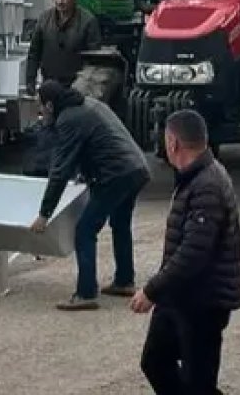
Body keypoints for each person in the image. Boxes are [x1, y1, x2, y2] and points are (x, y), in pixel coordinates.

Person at [131, 109, 240, 395]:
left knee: (199, 384)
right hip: (178, 296)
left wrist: (152, 290)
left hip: (203, 303)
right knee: (155, 362)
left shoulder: (208, 184)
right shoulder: (192, 177)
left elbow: (194, 253)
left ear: (173, 143)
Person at [30, 80, 150, 311]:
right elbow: (97, 144)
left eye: (41, 106)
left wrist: (44, 214)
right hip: (136, 169)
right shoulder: (89, 105)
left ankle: (85, 293)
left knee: (85, 230)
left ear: (51, 106)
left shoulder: (69, 119)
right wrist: (86, 173)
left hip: (116, 175)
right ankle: (124, 281)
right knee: (120, 224)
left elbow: (60, 170)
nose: (40, 112)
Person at [24, 0, 101, 93]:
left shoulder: (88, 21)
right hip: (49, 83)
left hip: (77, 85)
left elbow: (94, 58)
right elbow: (34, 52)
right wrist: (30, 81)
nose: (60, 2)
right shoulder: (44, 19)